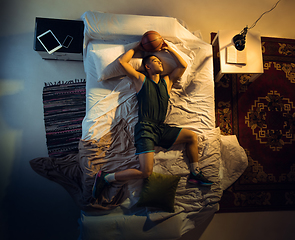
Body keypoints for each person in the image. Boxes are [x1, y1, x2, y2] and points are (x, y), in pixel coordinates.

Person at [92, 39, 213, 198]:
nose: (160, 63)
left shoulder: (167, 81)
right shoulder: (141, 80)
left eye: (161, 61)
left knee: (192, 137)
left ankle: (194, 173)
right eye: (156, 61)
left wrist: (168, 48)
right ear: (147, 66)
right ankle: (106, 177)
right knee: (145, 172)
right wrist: (137, 47)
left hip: (161, 128)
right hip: (145, 129)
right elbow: (123, 62)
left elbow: (182, 66)